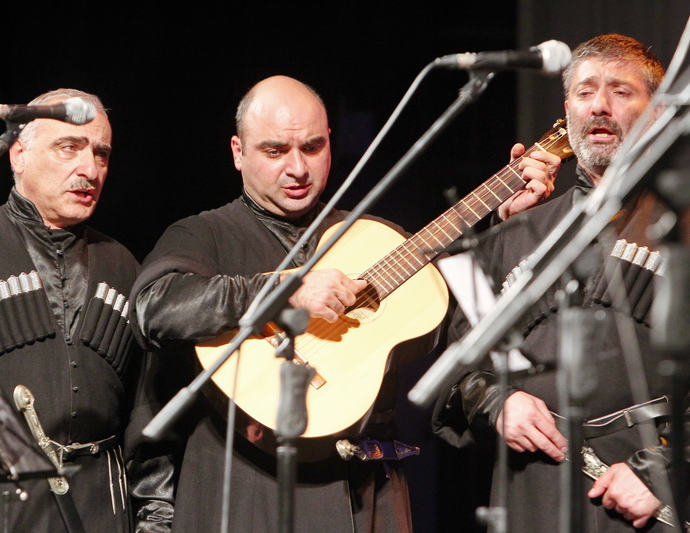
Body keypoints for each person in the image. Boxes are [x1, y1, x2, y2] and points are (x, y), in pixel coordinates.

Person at [130, 74, 558, 532]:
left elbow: (472, 323)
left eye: (312, 147)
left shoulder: (372, 236)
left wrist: (505, 229)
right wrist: (284, 292)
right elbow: (153, 307)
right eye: (275, 151)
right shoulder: (204, 233)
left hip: (368, 490)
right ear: (238, 152)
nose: (298, 168)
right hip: (247, 487)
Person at [0, 88, 173, 532]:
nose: (90, 169)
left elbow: (145, 419)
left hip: (97, 513)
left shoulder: (124, 266)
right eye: (69, 147)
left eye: (101, 154)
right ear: (18, 154)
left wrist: (155, 521)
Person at [433, 34, 682, 532]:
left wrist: (662, 471)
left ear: (657, 112)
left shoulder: (683, 230)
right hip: (532, 493)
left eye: (621, 91)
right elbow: (459, 370)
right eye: (585, 92)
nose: (600, 106)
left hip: (646, 503)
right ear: (567, 111)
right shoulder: (518, 232)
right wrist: (498, 402)